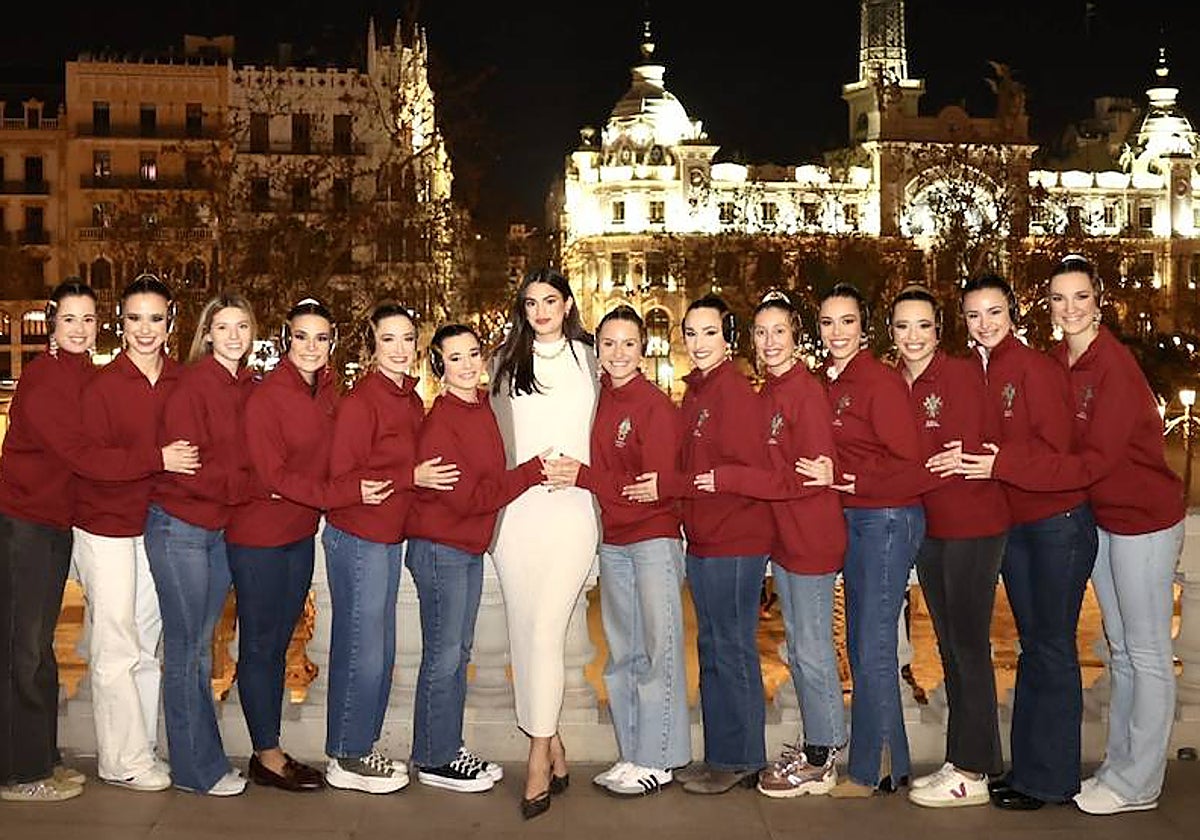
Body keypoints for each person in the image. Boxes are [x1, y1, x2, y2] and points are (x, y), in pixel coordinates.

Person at [956, 256, 1184, 815]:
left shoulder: (1114, 367)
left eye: (1080, 296)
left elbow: (1091, 462)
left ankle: (1140, 782)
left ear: (1098, 301)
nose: (1069, 308)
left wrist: (1004, 464)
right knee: (1120, 651)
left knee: (1147, 652)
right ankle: (1118, 767)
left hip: (1143, 518)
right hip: (1098, 517)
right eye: (1059, 298)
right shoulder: (1059, 361)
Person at [929, 273, 1097, 811]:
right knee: (1034, 646)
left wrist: (999, 463)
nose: (985, 324)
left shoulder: (1033, 368)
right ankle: (1028, 770)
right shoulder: (977, 368)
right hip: (1016, 524)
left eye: (994, 312)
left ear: (1014, 313)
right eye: (974, 314)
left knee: (1052, 647)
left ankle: (1052, 780)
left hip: (1055, 521)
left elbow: (1059, 452)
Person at [1, 280, 171, 802]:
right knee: (23, 648)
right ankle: (18, 774)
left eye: (88, 319)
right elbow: (82, 455)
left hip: (54, 523)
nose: (79, 329)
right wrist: (157, 458)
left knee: (39, 647)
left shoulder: (85, 374)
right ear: (51, 322)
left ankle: (39, 758)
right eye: (69, 318)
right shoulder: (45, 379)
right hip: (25, 523)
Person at [226, 298, 392, 793]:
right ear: (286, 339)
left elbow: (333, 460)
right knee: (260, 645)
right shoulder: (267, 396)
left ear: (333, 342)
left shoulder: (328, 393)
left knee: (279, 644)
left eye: (321, 338)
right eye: (301, 336)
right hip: (259, 537)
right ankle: (267, 754)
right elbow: (272, 476)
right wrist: (343, 494)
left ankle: (269, 746)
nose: (311, 347)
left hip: (299, 534)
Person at [691, 292, 848, 798]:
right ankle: (817, 745)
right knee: (798, 649)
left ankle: (824, 756)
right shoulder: (770, 392)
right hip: (782, 537)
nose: (769, 341)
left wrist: (731, 477)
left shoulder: (804, 392)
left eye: (779, 331)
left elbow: (806, 478)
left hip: (811, 536)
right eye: (761, 332)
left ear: (796, 336)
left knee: (812, 649)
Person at [544, 306, 691, 797]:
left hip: (653, 540)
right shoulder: (599, 400)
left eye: (629, 343)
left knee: (658, 651)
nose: (618, 353)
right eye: (608, 343)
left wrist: (585, 477)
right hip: (615, 541)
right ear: (597, 349)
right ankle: (632, 754)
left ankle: (660, 758)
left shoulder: (654, 407)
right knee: (622, 655)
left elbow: (647, 490)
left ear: (643, 349)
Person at [880, 285, 1009, 809]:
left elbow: (952, 457)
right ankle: (967, 762)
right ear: (891, 332)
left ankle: (973, 770)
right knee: (951, 647)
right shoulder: (892, 382)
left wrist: (875, 480)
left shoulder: (958, 376)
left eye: (923, 325)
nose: (913, 337)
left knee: (968, 647)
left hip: (972, 524)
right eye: (902, 326)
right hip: (931, 529)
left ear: (939, 329)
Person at [322, 303, 459, 794]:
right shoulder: (363, 401)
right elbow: (342, 479)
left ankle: (359, 746)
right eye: (388, 339)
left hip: (386, 538)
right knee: (362, 651)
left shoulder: (410, 399)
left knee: (379, 652)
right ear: (372, 345)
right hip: (357, 537)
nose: (400, 349)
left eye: (407, 339)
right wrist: (410, 476)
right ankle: (347, 755)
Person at [795, 282, 925, 798]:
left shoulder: (879, 381)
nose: (837, 332)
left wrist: (846, 478)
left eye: (847, 321)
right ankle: (890, 763)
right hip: (858, 520)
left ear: (864, 327)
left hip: (886, 520)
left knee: (872, 645)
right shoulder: (829, 382)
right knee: (861, 641)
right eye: (828, 322)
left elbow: (910, 463)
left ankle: (876, 770)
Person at [406, 323, 545, 793]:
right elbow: (470, 498)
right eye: (455, 358)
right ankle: (435, 758)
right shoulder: (442, 423)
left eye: (472, 354)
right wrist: (531, 472)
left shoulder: (483, 406)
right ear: (439, 367)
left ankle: (445, 745)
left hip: (464, 547)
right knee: (445, 656)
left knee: (456, 653)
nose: (467, 365)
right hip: (440, 547)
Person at [72, 274, 195, 793]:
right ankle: (119, 760)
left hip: (157, 527)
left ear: (171, 323)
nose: (145, 329)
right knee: (115, 643)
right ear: (120, 324)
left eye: (155, 318)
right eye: (135, 318)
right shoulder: (101, 385)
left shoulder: (182, 380)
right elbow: (88, 460)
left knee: (146, 643)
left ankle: (140, 748)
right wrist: (156, 458)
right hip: (104, 526)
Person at [488, 268, 599, 819]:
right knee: (524, 636)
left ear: (567, 304)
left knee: (546, 632)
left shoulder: (593, 359)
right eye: (530, 303)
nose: (540, 311)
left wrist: (587, 474)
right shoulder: (503, 362)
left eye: (550, 301)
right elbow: (490, 441)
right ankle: (553, 744)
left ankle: (536, 756)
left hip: (574, 513)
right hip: (517, 517)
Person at [660, 294, 773, 795]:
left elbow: (752, 470)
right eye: (691, 333)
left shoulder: (734, 391)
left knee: (732, 648)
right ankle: (719, 754)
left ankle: (743, 757)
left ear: (727, 337)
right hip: (704, 539)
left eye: (710, 332)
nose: (699, 342)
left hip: (736, 538)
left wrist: (706, 483)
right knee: (710, 647)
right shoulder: (698, 392)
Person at [145, 293, 258, 796]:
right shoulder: (192, 385)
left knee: (201, 647)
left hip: (218, 531)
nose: (234, 336)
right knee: (187, 649)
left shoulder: (248, 386)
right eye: (223, 326)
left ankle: (204, 760)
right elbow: (188, 468)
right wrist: (251, 486)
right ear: (207, 334)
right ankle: (194, 771)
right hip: (181, 527)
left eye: (243, 326)